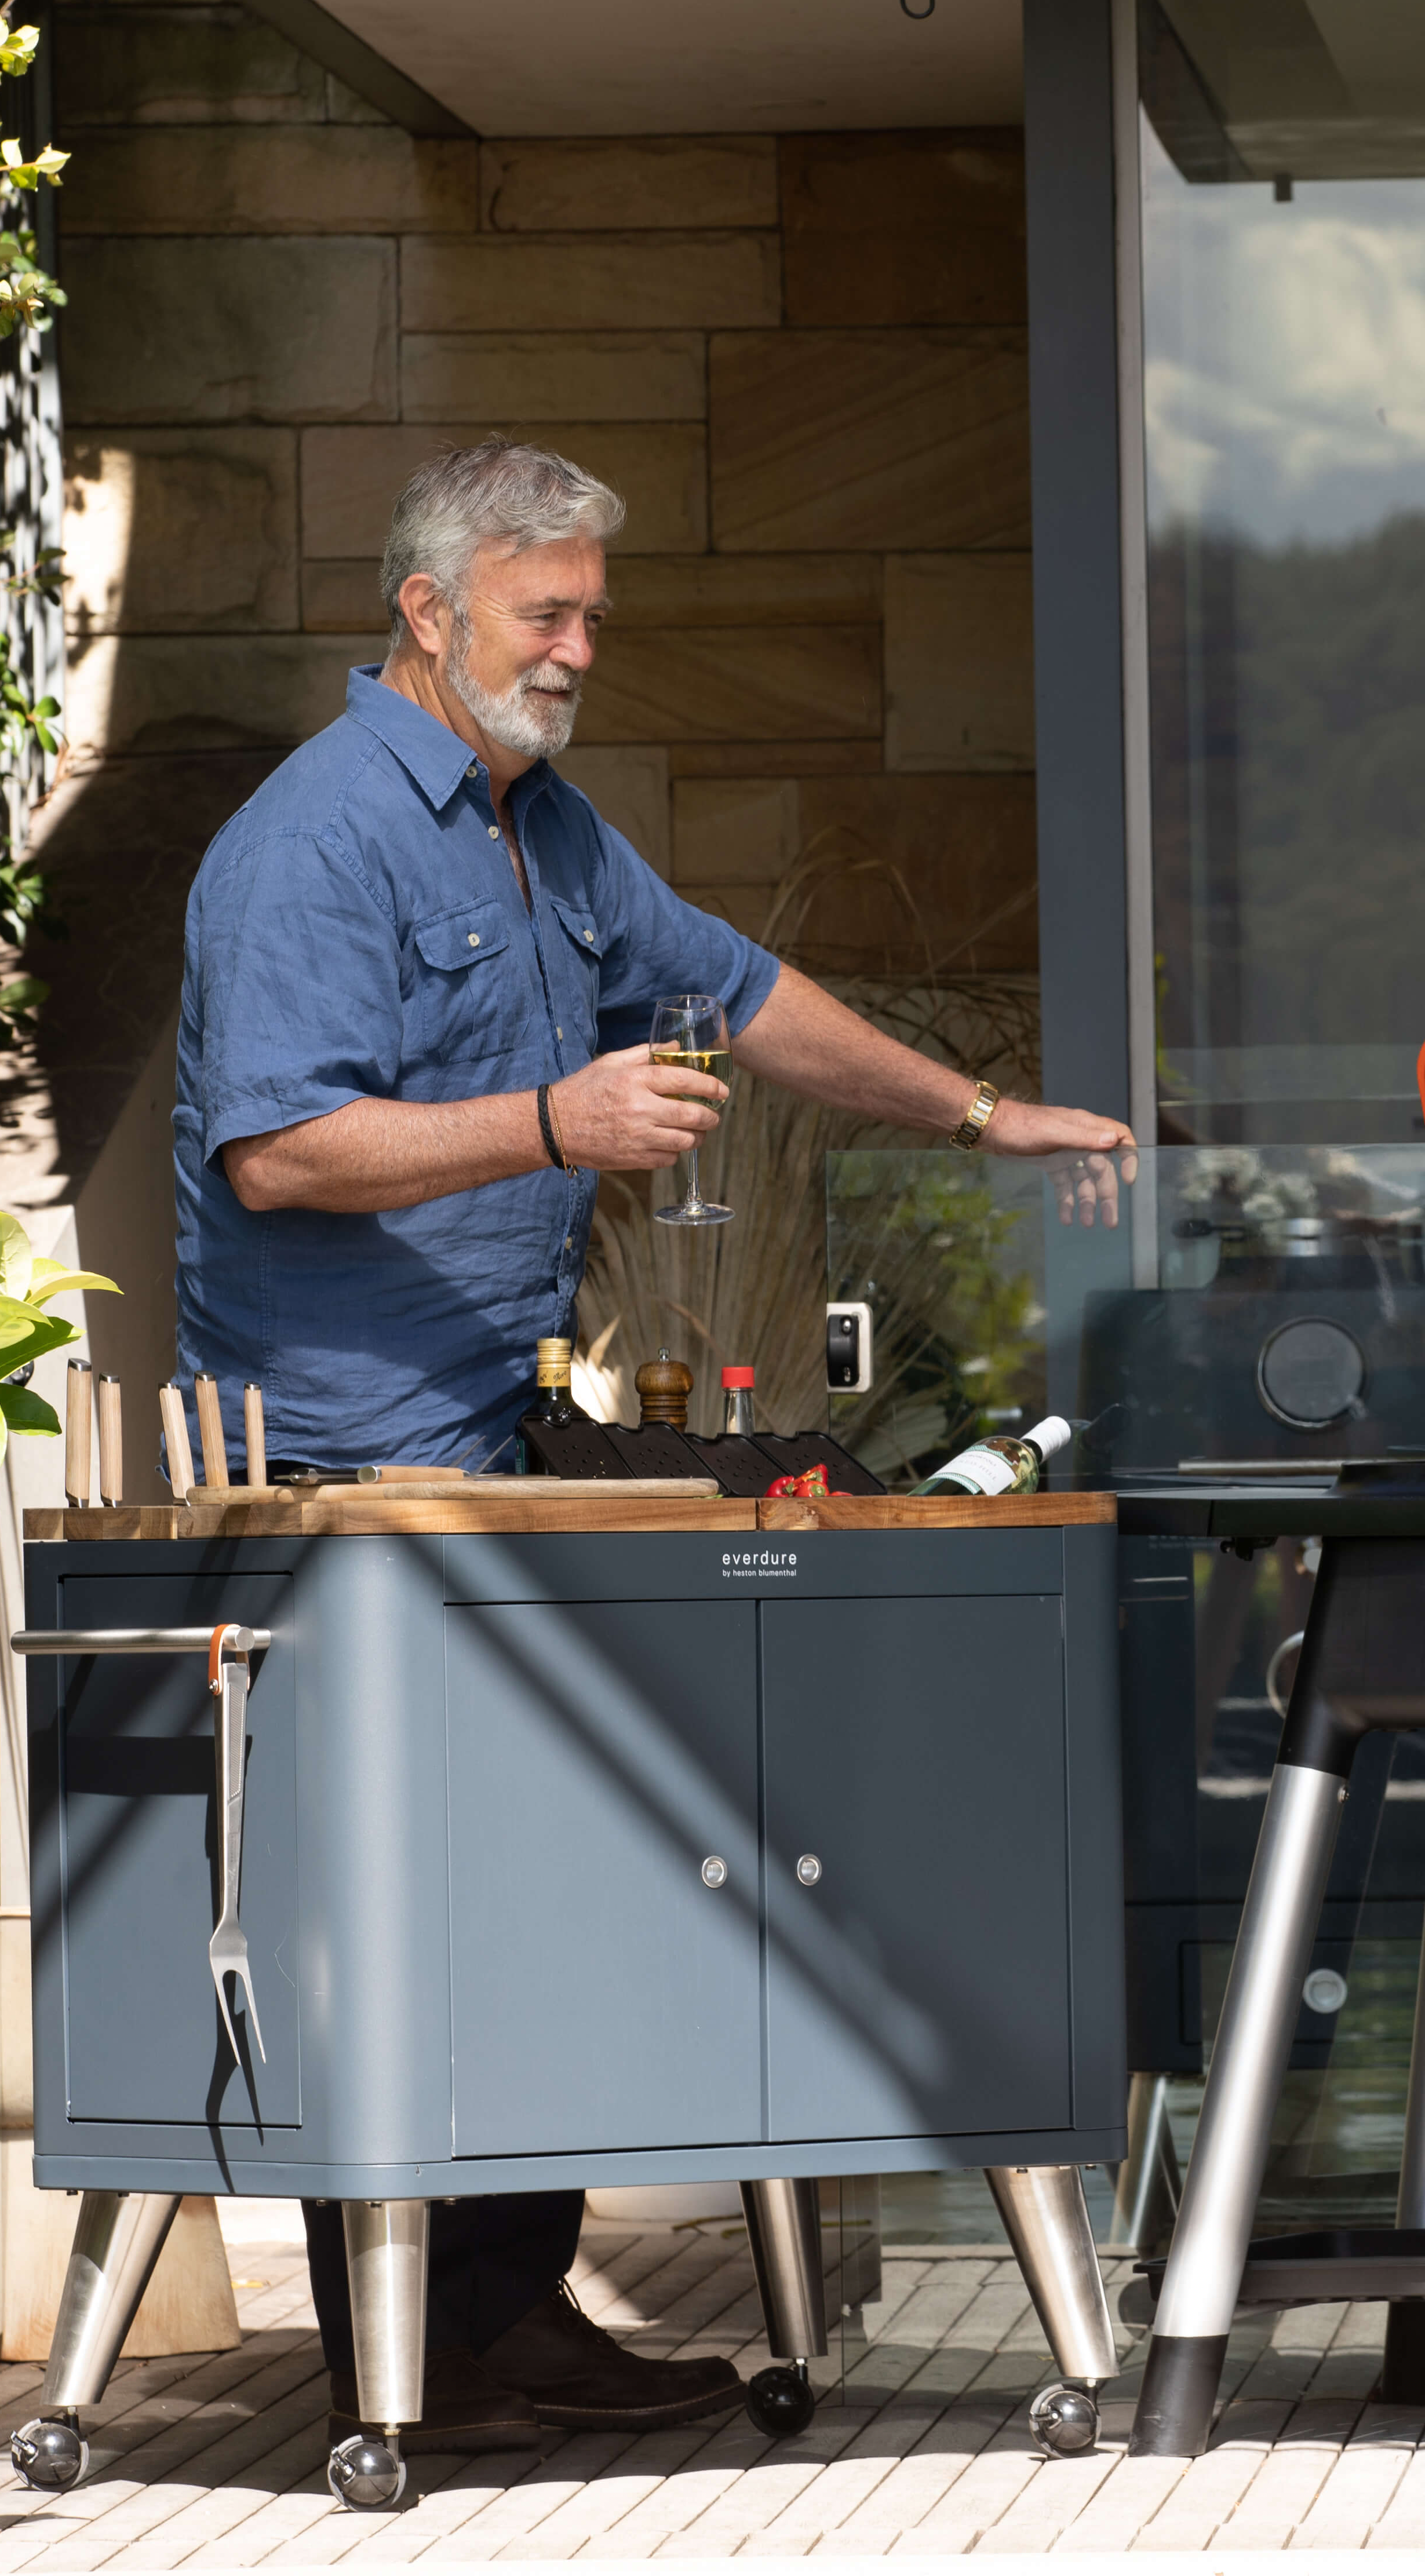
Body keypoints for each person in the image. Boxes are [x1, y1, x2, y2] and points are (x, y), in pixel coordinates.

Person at [168, 438, 1133, 2454]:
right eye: (548, 612)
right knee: (425, 1894)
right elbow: (277, 1150)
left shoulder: (550, 832)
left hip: (485, 1429)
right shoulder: (314, 844)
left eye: (596, 612)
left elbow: (746, 994)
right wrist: (554, 1126)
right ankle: (435, 2354)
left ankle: (516, 2317)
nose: (584, 646)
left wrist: (981, 1120)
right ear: (428, 616)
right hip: (344, 1457)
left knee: (541, 1867)